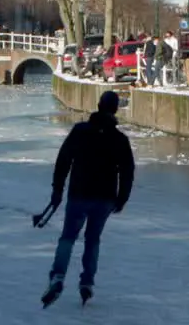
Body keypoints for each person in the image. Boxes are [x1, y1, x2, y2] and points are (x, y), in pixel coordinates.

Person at [41, 90, 135, 308]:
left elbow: (63, 160)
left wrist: (57, 190)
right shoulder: (120, 139)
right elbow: (127, 171)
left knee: (68, 238)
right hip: (104, 198)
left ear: (98, 105)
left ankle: (57, 277)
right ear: (115, 109)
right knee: (92, 240)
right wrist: (122, 198)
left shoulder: (80, 131)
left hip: (79, 194)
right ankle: (87, 283)